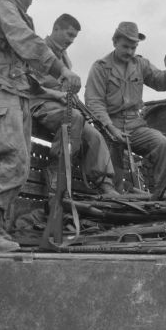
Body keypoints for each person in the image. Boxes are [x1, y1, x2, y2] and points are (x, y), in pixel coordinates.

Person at [0, 0, 78, 252]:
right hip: (0, 92)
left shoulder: (14, 10)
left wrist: (52, 91)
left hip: (14, 93)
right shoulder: (3, 5)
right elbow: (24, 41)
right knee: (12, 159)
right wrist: (61, 70)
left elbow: (25, 69)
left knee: (19, 163)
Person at [29, 13, 118, 197]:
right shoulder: (39, 51)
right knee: (74, 117)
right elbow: (29, 85)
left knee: (95, 135)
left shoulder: (65, 58)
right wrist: (58, 95)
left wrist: (74, 100)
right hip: (38, 104)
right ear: (56, 29)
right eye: (69, 34)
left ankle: (105, 184)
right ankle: (56, 172)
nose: (71, 40)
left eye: (74, 37)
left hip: (62, 108)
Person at [84, 21, 166, 190]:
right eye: (125, 47)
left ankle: (160, 192)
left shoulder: (141, 64)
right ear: (115, 42)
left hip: (135, 127)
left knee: (164, 145)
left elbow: (160, 82)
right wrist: (111, 128)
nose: (129, 52)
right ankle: (114, 193)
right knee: (113, 173)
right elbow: (94, 102)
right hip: (108, 127)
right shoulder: (100, 68)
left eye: (133, 48)